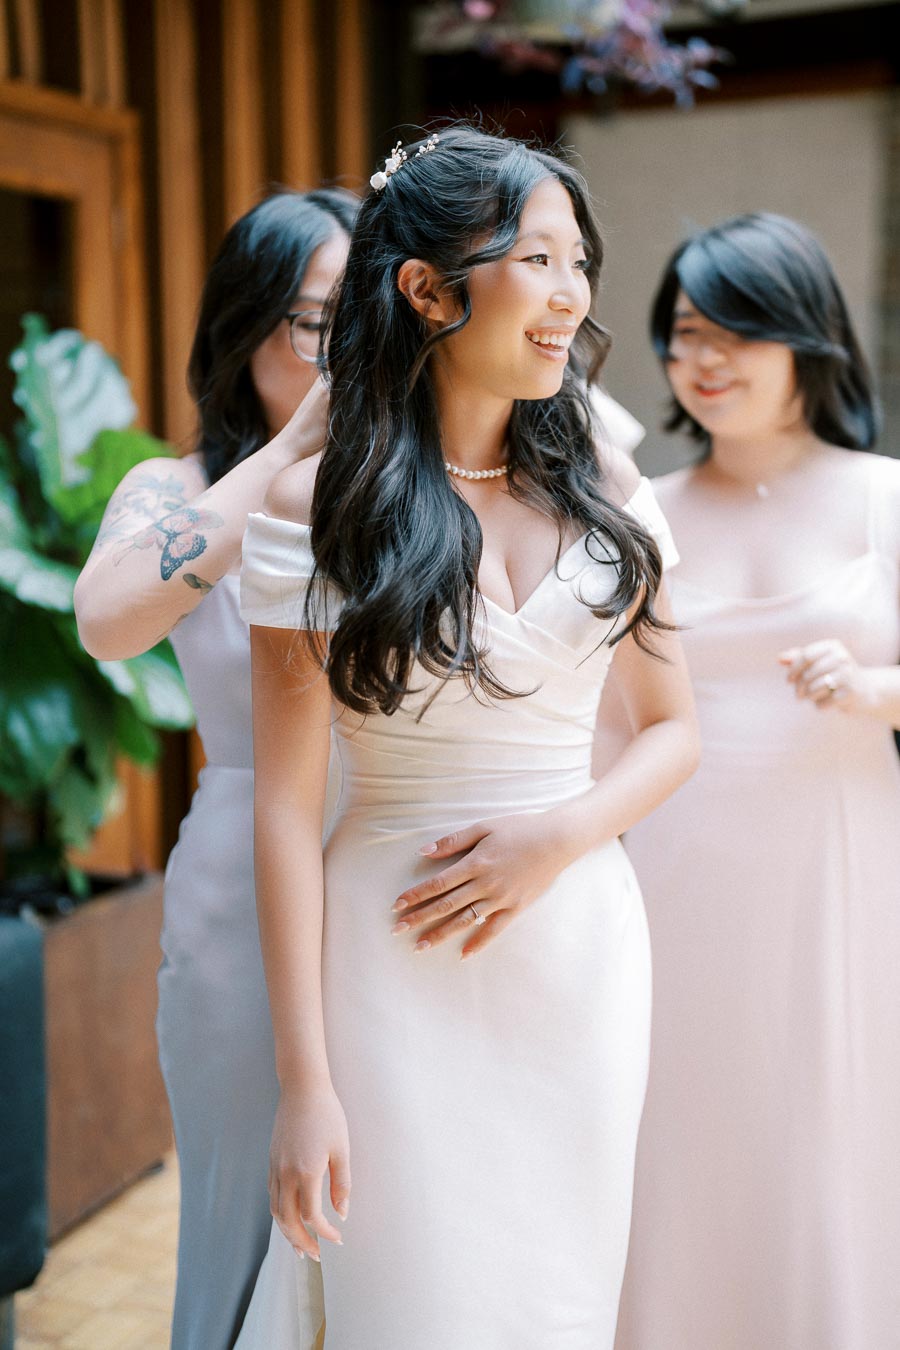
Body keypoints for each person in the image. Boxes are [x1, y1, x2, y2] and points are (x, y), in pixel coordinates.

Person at [234, 125, 698, 1350]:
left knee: (558, 1303)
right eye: (537, 260)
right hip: (391, 959)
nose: (572, 295)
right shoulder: (312, 510)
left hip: (581, 958)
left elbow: (672, 730)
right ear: (428, 289)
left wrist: (562, 837)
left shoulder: (608, 492)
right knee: (417, 1308)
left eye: (577, 262)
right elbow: (283, 808)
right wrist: (305, 1082)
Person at [74, 187, 358, 1350]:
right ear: (243, 328)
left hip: (405, 860)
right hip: (243, 883)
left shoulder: (425, 481)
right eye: (312, 323)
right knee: (248, 1216)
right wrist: (291, 456)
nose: (343, 355)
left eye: (367, 324)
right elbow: (106, 620)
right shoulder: (175, 490)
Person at [613, 213, 900, 1350]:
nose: (707, 358)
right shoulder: (644, 514)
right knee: (680, 1121)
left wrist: (878, 689)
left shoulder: (886, 495)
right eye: (687, 333)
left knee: (827, 1118)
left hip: (838, 861)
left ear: (808, 339)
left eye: (740, 331)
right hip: (672, 868)